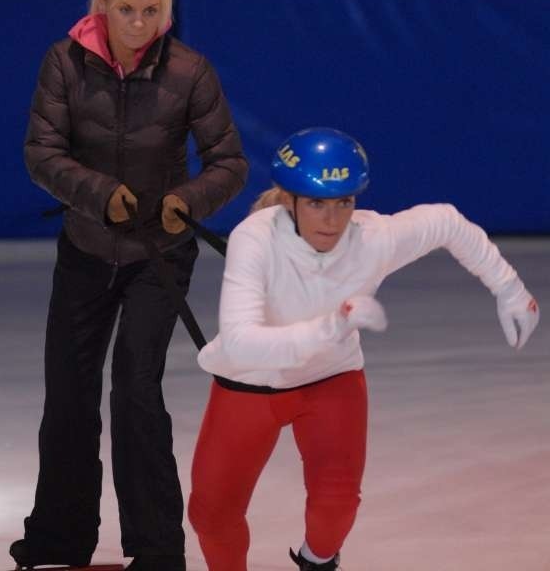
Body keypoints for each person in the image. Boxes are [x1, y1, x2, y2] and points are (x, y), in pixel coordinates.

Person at [187, 127, 539, 571]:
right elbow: (240, 341)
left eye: (345, 203)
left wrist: (509, 289)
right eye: (317, 203)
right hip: (248, 385)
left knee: (336, 509)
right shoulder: (254, 239)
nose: (332, 221)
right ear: (289, 199)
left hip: (330, 380)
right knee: (212, 516)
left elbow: (448, 222)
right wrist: (331, 327)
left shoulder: (374, 238)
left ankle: (317, 563)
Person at [9, 0, 248, 569]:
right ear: (102, 7)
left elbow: (229, 161)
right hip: (86, 248)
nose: (139, 25)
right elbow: (42, 152)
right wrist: (96, 193)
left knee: (136, 390)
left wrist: (187, 202)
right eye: (126, 10)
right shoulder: (64, 63)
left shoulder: (189, 70)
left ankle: (158, 550)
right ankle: (60, 538)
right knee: (68, 392)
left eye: (151, 11)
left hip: (157, 257)